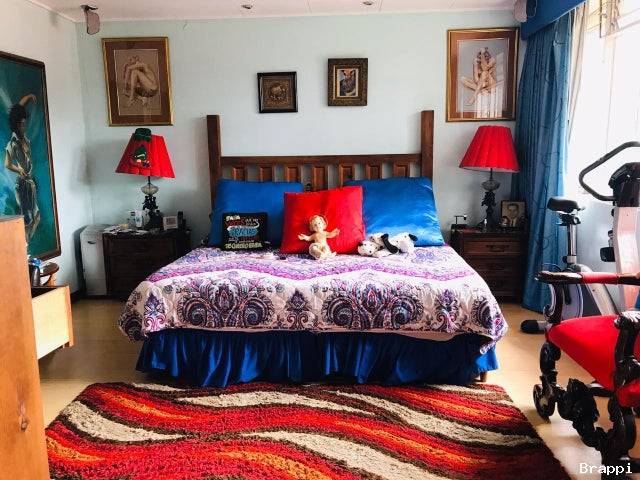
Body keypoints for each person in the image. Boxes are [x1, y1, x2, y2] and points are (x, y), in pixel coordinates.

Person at [4, 93, 40, 241]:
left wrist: (30, 97)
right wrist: (19, 169)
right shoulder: (13, 143)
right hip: (22, 185)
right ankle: (25, 244)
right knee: (28, 220)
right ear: (17, 125)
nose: (25, 126)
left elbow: (17, 109)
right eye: (23, 124)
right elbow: (7, 164)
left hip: (29, 182)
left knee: (36, 217)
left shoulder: (23, 138)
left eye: (25, 123)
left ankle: (25, 242)